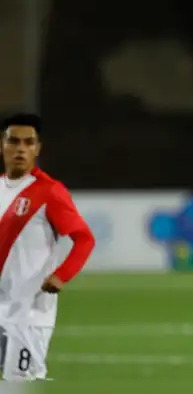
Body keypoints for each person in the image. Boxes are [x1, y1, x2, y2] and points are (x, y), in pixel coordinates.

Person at [0, 113, 95, 381]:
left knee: (20, 385)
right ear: (2, 144)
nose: (20, 148)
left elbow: (85, 239)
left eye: (28, 143)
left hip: (28, 314)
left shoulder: (50, 192)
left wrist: (61, 275)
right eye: (14, 141)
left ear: (37, 149)